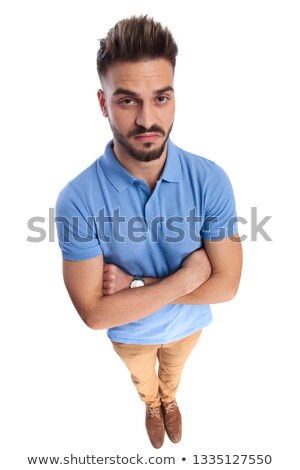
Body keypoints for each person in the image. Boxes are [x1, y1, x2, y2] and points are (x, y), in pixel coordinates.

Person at [55, 15, 242, 449]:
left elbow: (228, 285)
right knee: (143, 377)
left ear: (174, 97)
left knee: (174, 371)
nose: (146, 119)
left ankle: (170, 398)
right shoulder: (77, 199)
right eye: (127, 101)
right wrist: (190, 276)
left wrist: (136, 286)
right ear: (103, 104)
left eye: (161, 97)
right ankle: (151, 403)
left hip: (188, 326)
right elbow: (95, 314)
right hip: (130, 337)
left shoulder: (210, 179)